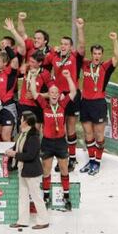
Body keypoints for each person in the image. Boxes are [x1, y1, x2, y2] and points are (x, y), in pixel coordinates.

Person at [30, 69, 78, 210]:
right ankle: (45, 197)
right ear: (48, 95)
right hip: (47, 142)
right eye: (52, 93)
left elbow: (73, 92)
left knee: (64, 169)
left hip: (61, 142)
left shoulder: (63, 106)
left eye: (56, 93)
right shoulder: (44, 106)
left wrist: (69, 77)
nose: (54, 95)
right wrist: (33, 77)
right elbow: (34, 92)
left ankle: (66, 196)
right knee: (47, 170)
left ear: (59, 95)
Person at [45, 18, 86, 171]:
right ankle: (61, 157)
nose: (63, 46)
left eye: (66, 44)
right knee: (59, 128)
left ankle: (72, 159)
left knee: (70, 127)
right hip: (59, 96)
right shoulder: (54, 57)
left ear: (71, 47)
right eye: (61, 43)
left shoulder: (76, 57)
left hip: (73, 95)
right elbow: (42, 60)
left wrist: (80, 28)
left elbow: (82, 45)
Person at [79, 32, 118, 176]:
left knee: (99, 135)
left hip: (98, 104)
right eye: (94, 53)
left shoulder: (105, 67)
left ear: (102, 55)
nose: (96, 56)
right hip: (84, 103)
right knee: (88, 134)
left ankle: (97, 162)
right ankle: (91, 161)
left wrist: (115, 40)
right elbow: (79, 51)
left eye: (99, 53)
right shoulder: (85, 64)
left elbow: (117, 57)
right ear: (91, 54)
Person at [7, 111, 49, 230]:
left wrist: (14, 154)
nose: (20, 120)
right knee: (23, 196)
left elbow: (30, 155)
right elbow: (17, 147)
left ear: (25, 122)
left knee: (36, 196)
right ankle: (22, 220)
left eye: (21, 119)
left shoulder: (34, 136)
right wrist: (10, 150)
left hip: (32, 171)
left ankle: (44, 220)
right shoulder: (23, 134)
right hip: (23, 170)